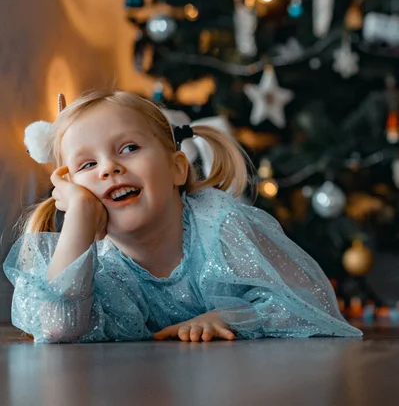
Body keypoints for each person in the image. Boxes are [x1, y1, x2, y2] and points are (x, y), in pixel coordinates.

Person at [3, 90, 362, 343]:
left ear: (177, 168)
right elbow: (58, 329)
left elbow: (312, 302)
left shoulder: (222, 228)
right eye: (88, 164)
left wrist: (231, 318)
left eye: (129, 148)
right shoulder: (102, 266)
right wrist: (79, 219)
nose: (110, 168)